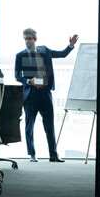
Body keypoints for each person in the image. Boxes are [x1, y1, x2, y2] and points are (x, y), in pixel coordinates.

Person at [15, 28, 78, 163]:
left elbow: (62, 54)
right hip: (30, 96)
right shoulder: (20, 56)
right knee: (29, 126)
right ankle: (32, 154)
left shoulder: (44, 51)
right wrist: (28, 81)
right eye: (25, 38)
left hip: (45, 94)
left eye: (30, 38)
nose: (28, 41)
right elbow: (16, 75)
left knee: (49, 126)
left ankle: (53, 155)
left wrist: (70, 46)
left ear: (35, 39)